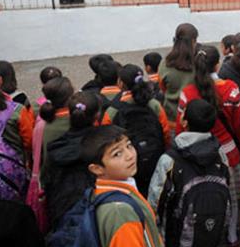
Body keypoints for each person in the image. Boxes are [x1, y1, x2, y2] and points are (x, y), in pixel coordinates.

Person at [149, 99, 229, 247]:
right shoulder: (220, 153)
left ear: (184, 122)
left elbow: (155, 200)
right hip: (211, 228)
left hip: (179, 235)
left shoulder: (170, 160)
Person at [81, 125, 172, 247]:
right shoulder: (121, 214)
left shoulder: (110, 191)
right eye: (117, 153)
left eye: (129, 145)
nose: (130, 155)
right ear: (96, 169)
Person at [173, 45, 240, 247]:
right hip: (227, 150)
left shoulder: (187, 93)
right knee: (231, 195)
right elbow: (237, 124)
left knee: (201, 193)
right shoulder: (231, 89)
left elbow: (180, 127)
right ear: (218, 64)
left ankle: (203, 230)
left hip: (195, 151)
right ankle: (232, 234)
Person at [101, 64, 170, 196]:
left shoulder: (113, 110)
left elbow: (106, 139)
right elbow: (165, 131)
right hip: (155, 155)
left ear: (121, 83)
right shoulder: (153, 104)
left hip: (128, 160)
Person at [42, 91, 98, 228]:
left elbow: (47, 181)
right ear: (97, 116)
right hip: (95, 211)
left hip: (62, 212)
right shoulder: (101, 145)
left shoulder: (55, 148)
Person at [159, 23, 198, 125]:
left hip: (171, 116)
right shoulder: (197, 63)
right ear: (193, 41)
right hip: (193, 117)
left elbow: (162, 87)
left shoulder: (164, 63)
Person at [38, 77, 75, 176]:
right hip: (72, 176)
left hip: (50, 176)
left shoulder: (41, 123)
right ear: (70, 97)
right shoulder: (76, 120)